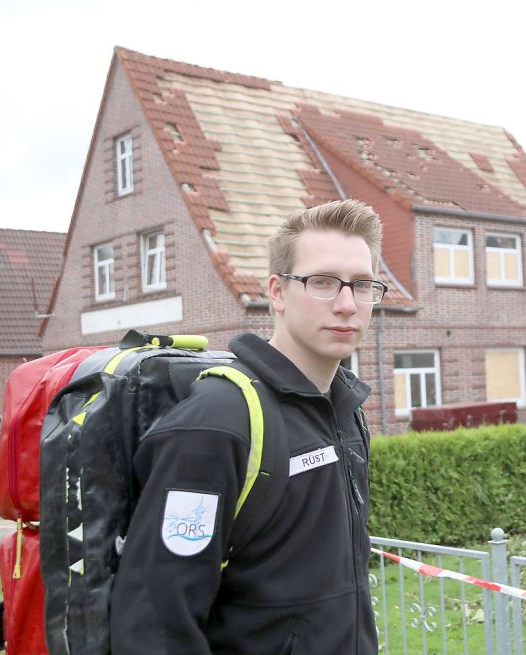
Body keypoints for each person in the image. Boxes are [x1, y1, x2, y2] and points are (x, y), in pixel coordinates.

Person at [111, 199, 384, 654]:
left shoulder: (345, 409)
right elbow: (155, 624)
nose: (346, 304)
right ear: (277, 292)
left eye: (362, 285)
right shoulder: (218, 421)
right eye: (322, 283)